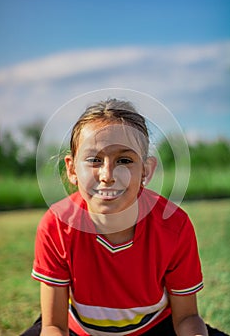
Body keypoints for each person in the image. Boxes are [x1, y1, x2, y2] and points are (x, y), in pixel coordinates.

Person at [21, 99, 228, 336]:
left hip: (155, 328)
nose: (108, 175)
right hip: (78, 330)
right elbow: (54, 326)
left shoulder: (174, 225)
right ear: (72, 169)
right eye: (94, 160)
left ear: (146, 170)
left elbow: (187, 318)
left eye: (125, 160)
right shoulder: (56, 224)